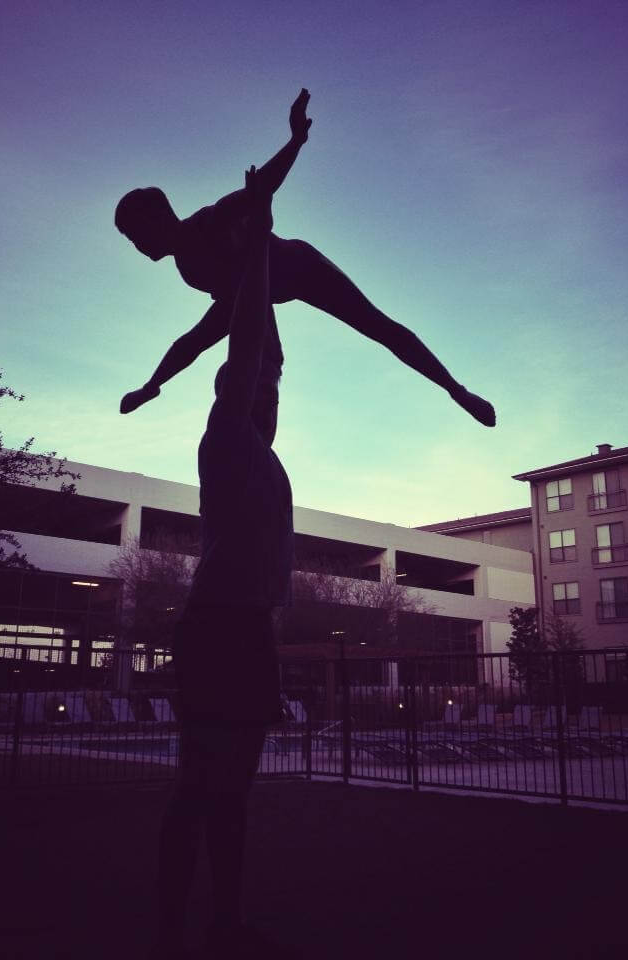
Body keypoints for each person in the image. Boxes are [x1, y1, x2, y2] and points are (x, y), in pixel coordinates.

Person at [115, 89, 496, 428]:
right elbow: (201, 336)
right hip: (259, 291)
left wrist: (296, 141)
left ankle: (456, 389)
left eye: (135, 236)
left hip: (298, 266)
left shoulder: (205, 224)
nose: (137, 247)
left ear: (158, 220)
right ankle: (240, 415)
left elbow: (261, 186)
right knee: (248, 353)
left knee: (377, 325)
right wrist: (152, 385)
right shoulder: (190, 271)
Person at [155, 168, 294, 960]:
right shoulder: (228, 434)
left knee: (229, 795)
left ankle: (223, 925)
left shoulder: (264, 458)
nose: (273, 388)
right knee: (197, 790)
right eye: (262, 383)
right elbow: (247, 341)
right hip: (220, 630)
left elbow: (261, 352)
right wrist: (260, 254)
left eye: (276, 384)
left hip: (247, 631)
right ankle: (171, 934)